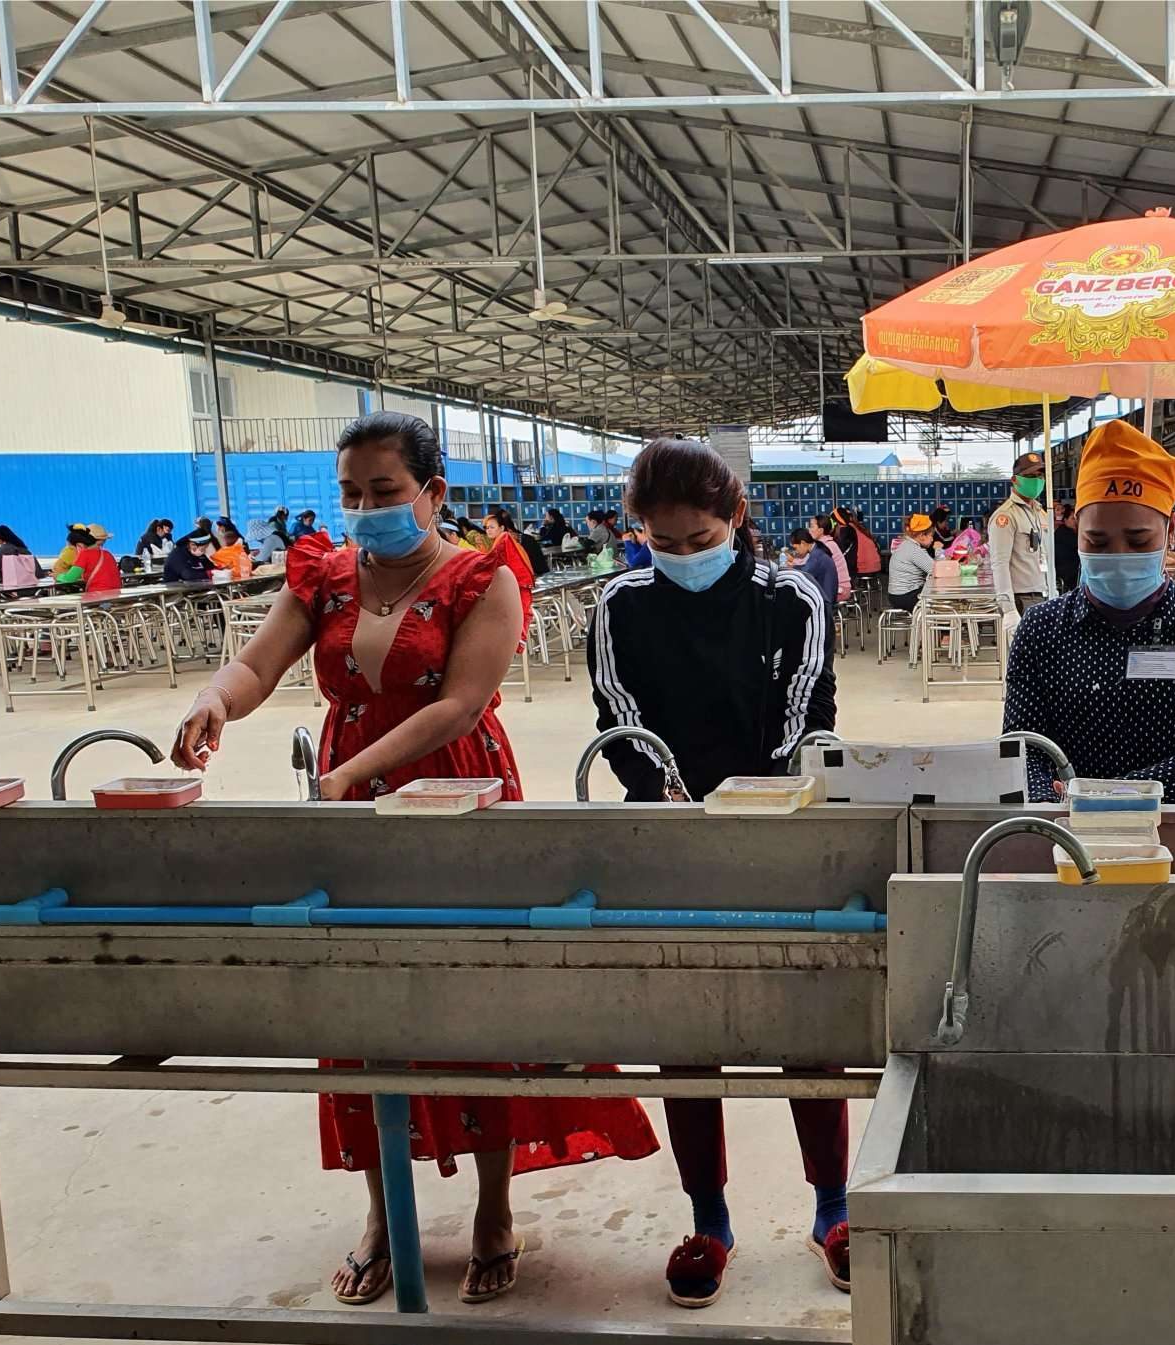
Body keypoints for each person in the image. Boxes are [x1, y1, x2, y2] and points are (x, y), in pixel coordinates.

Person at [170, 412, 658, 1307]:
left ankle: (493, 1207)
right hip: (349, 812)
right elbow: (255, 665)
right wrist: (213, 700)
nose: (365, 510)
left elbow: (464, 703)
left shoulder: (485, 577)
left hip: (454, 798)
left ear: (434, 493)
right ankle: (381, 1208)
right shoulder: (322, 574)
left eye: (385, 492)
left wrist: (353, 771)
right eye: (351, 493)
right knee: (357, 1001)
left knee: (478, 995)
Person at [585, 438, 845, 1309]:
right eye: (663, 543)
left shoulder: (792, 601)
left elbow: (807, 715)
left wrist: (755, 813)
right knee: (686, 1033)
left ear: (736, 518)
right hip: (667, 837)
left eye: (699, 539)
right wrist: (672, 808)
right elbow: (621, 719)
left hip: (780, 830)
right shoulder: (620, 606)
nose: (683, 557)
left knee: (807, 1031)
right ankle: (709, 1219)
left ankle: (833, 1208)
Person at [1002, 420, 1175, 804]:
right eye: (1097, 541)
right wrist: (1053, 803)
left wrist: (1109, 795)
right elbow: (1022, 748)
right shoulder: (1041, 629)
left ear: (1170, 530)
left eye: (1138, 540)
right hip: (1071, 832)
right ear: (1075, 527)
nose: (1118, 556)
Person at [988, 451, 1052, 614]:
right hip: (1021, 599)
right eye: (1031, 476)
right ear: (1015, 480)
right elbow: (999, 564)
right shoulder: (1005, 516)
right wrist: (1008, 608)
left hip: (1044, 593)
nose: (1037, 480)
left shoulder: (1040, 512)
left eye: (1040, 475)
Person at [886, 513, 937, 614]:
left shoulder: (907, 545)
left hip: (897, 595)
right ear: (922, 535)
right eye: (931, 536)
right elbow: (936, 571)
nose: (932, 539)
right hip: (906, 596)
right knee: (940, 599)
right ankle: (942, 627)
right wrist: (939, 551)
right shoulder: (913, 550)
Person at [484, 509, 549, 580]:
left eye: (492, 527)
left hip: (527, 577)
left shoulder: (506, 540)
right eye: (487, 528)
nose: (488, 530)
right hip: (536, 572)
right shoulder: (520, 537)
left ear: (501, 527)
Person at [54, 525, 122, 593]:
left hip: (97, 595)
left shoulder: (84, 554)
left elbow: (69, 578)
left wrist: (57, 576)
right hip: (116, 593)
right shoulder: (108, 554)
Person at [807, 515, 853, 603]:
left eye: (812, 526)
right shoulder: (826, 543)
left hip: (839, 589)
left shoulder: (826, 546)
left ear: (821, 530)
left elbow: (810, 566)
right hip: (836, 587)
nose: (809, 530)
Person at [1052, 498, 1080, 595]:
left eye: (1077, 519)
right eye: (1073, 519)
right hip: (1066, 572)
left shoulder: (1071, 533)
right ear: (1065, 520)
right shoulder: (1064, 533)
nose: (1076, 522)